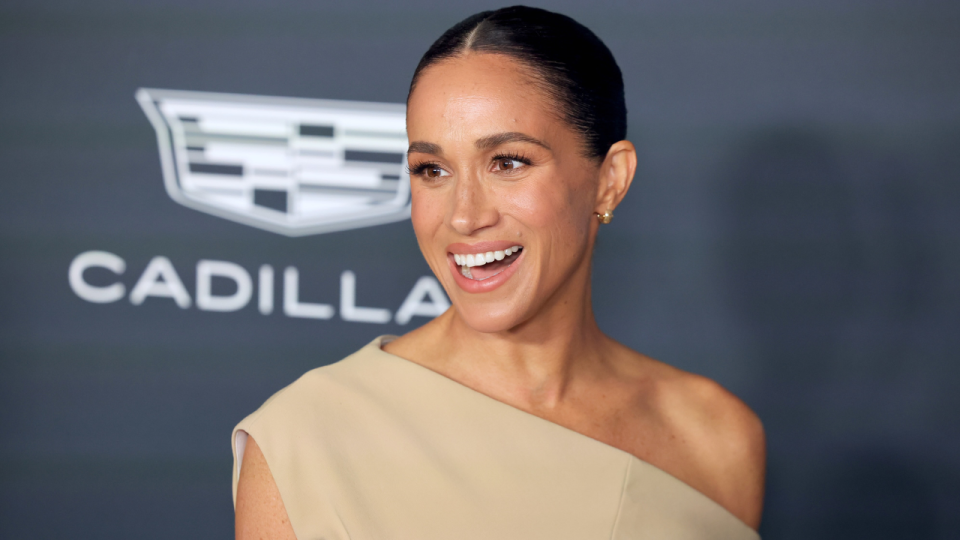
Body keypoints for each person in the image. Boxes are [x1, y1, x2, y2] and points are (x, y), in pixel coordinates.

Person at [233, 6, 765, 539]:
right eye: (432, 170)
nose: (464, 215)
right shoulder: (305, 443)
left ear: (610, 180)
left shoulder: (715, 437)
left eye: (508, 162)